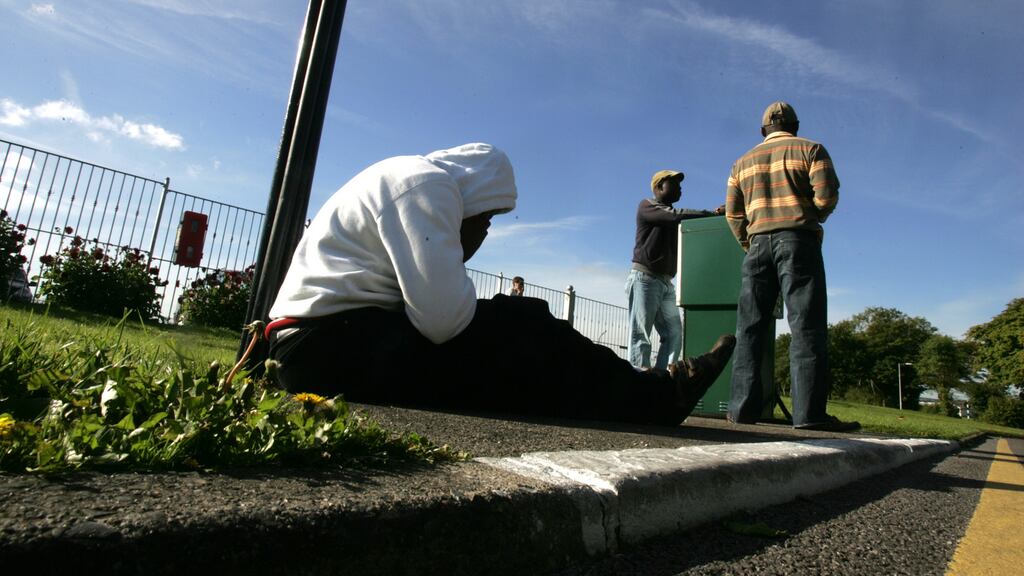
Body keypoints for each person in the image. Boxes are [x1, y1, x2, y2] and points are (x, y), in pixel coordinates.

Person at [267, 143, 735, 425]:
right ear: (478, 194)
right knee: (525, 324)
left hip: (324, 345)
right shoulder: (426, 186)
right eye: (489, 216)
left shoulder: (405, 177)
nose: (487, 230)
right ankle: (657, 395)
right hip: (328, 350)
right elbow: (445, 319)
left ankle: (645, 391)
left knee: (517, 350)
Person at [724, 102, 859, 432]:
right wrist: (812, 218)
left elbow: (733, 214)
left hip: (757, 245)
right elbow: (826, 195)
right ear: (796, 125)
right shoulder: (811, 149)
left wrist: (750, 242)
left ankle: (741, 411)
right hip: (798, 240)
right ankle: (809, 415)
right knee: (806, 326)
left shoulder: (741, 163)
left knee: (750, 328)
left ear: (762, 131)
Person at [627, 169, 723, 371]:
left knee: (673, 334)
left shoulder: (676, 219)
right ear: (659, 186)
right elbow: (674, 216)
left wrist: (711, 217)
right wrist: (709, 214)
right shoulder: (648, 205)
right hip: (645, 277)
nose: (680, 188)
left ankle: (662, 380)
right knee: (640, 335)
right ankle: (638, 386)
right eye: (675, 184)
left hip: (665, 282)